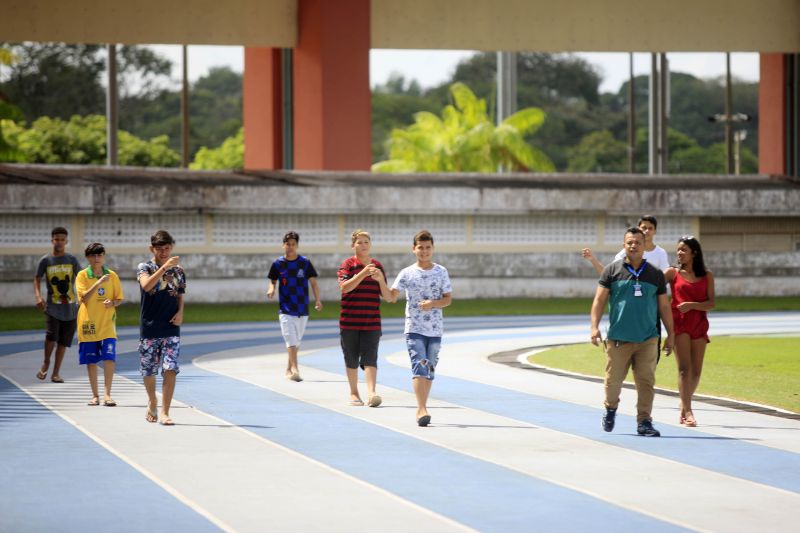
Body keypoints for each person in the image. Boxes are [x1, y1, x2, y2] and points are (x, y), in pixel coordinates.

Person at [590, 226, 674, 437]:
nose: (634, 246)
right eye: (630, 242)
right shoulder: (612, 270)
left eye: (638, 242)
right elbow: (599, 300)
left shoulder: (655, 274)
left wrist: (671, 334)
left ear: (645, 245)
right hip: (619, 338)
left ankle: (644, 422)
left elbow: (664, 306)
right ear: (624, 245)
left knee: (646, 382)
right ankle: (611, 409)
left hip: (647, 338)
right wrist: (594, 327)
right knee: (613, 382)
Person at [389, 230, 452, 427]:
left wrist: (432, 303)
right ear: (414, 249)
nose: (424, 251)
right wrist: (379, 281)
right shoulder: (406, 273)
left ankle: (422, 405)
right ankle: (421, 408)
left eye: (427, 248)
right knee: (419, 365)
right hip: (414, 327)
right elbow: (391, 295)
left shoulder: (441, 271)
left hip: (435, 329)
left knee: (430, 368)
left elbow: (447, 299)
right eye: (420, 248)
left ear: (432, 249)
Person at [337, 229, 393, 407]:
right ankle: (354, 393)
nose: (363, 245)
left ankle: (371, 393)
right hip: (350, 321)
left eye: (366, 242)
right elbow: (345, 288)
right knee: (351, 358)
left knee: (371, 358)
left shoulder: (378, 266)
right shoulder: (347, 265)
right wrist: (362, 273)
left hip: (372, 321)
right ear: (353, 245)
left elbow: (388, 296)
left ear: (370, 245)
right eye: (359, 242)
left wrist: (380, 281)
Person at [663, 236, 715, 427]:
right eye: (678, 249)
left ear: (694, 252)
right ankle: (688, 411)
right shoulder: (672, 272)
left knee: (696, 371)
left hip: (698, 323)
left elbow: (711, 303)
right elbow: (651, 285)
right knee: (684, 370)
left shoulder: (707, 275)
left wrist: (692, 305)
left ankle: (684, 404)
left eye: (684, 249)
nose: (679, 253)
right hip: (679, 323)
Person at [137, 230, 186, 425]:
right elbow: (147, 286)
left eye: (167, 249)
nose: (164, 252)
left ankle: (165, 411)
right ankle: (152, 400)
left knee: (170, 368)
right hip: (149, 327)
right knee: (149, 371)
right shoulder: (145, 267)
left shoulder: (179, 271)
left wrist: (181, 312)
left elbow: (180, 294)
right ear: (152, 249)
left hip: (171, 327)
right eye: (160, 249)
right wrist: (163, 267)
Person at [267, 231, 323, 382]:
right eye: (287, 244)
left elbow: (314, 283)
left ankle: (288, 368)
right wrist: (271, 289)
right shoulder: (278, 264)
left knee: (296, 341)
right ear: (283, 245)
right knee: (290, 339)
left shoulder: (305, 263)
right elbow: (273, 280)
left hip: (302, 308)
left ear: (297, 245)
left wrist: (318, 300)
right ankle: (295, 369)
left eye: (293, 244)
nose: (290, 247)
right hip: (285, 308)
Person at [75, 243, 124, 406]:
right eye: (93, 256)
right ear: (88, 258)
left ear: (104, 256)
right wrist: (98, 282)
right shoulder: (82, 276)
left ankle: (107, 395)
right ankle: (95, 395)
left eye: (100, 255)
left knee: (109, 358)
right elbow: (83, 298)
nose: (97, 259)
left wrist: (113, 303)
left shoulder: (113, 276)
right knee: (91, 360)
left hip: (107, 324)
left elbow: (119, 299)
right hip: (89, 323)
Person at [33, 227, 82, 383]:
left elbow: (81, 279)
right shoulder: (46, 261)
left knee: (63, 342)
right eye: (56, 239)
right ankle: (46, 361)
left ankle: (56, 373)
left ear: (66, 241)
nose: (59, 242)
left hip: (71, 309)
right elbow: (37, 278)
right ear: (52, 240)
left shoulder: (72, 260)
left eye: (62, 239)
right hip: (52, 307)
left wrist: (82, 298)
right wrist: (38, 296)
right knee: (51, 336)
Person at [582, 215, 670, 274]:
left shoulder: (661, 253)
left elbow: (664, 280)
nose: (646, 231)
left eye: (650, 228)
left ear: (655, 231)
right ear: (638, 229)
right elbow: (608, 274)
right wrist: (592, 259)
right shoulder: (627, 251)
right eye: (644, 228)